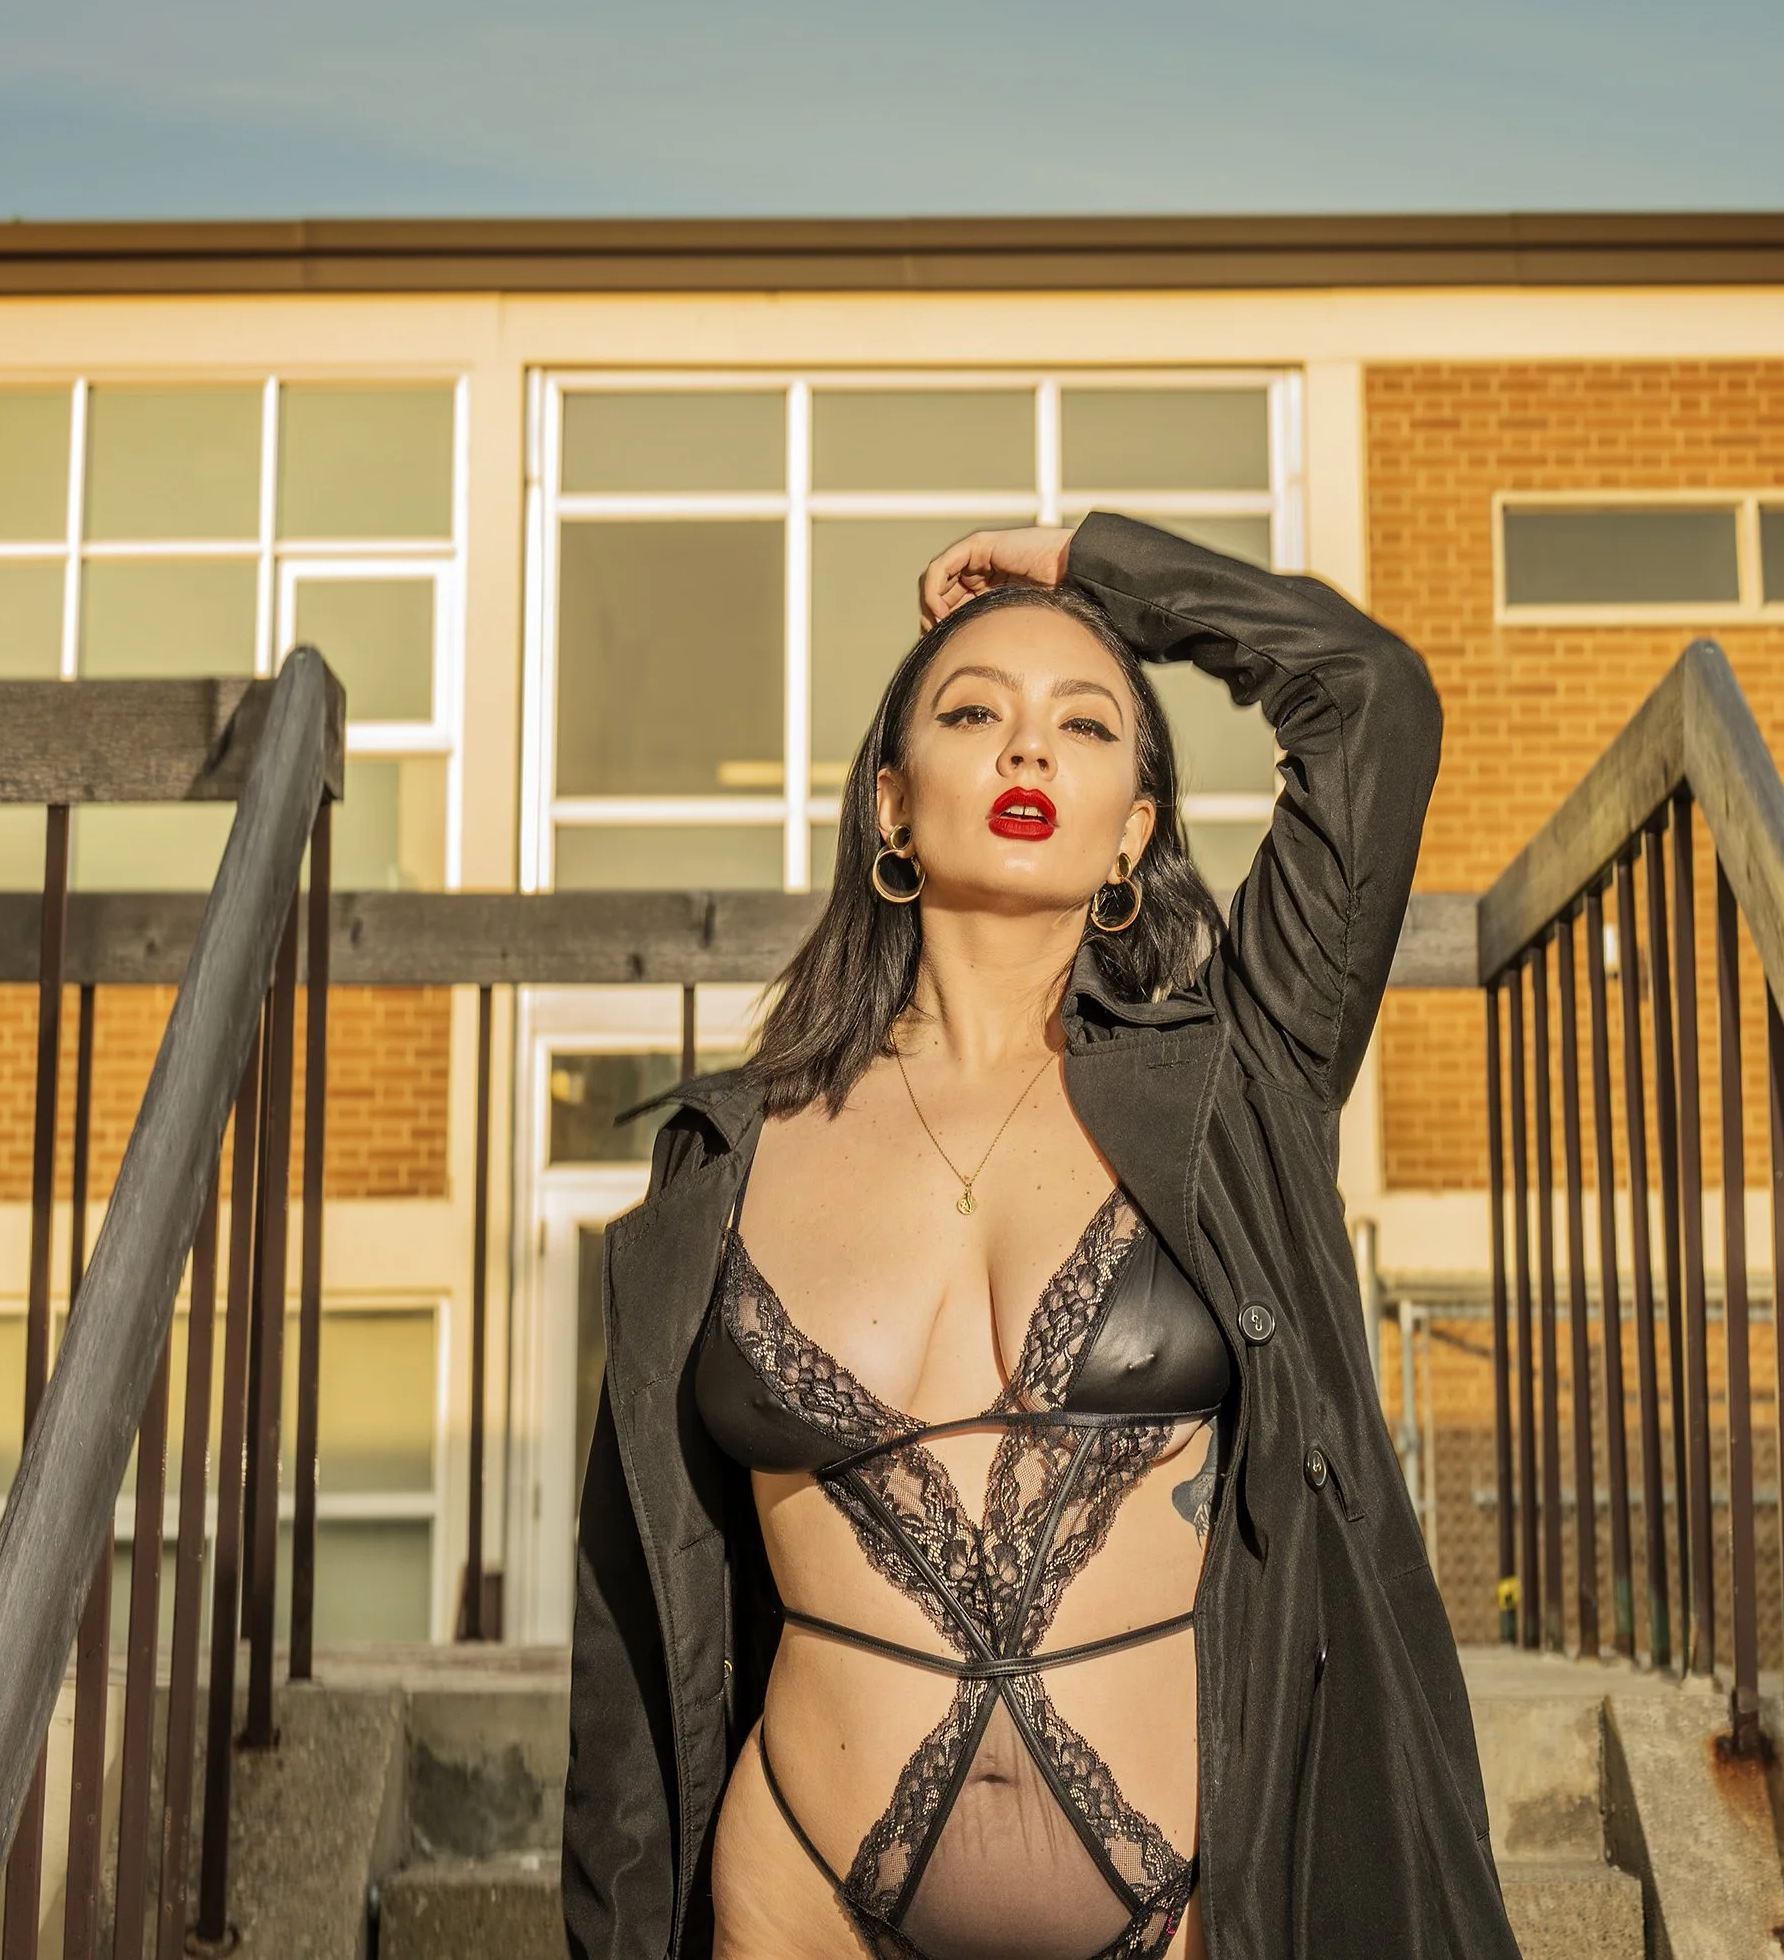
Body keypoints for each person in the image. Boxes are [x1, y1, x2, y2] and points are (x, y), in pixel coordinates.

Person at [563, 513, 1524, 1960]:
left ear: (1133, 828)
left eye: (1084, 724)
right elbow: (629, 1623)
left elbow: (1368, 693)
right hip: (800, 1894)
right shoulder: (727, 1154)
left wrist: (1086, 565)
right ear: (894, 804)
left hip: (1186, 1901)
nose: (1028, 749)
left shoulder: (1234, 1083)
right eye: (973, 713)